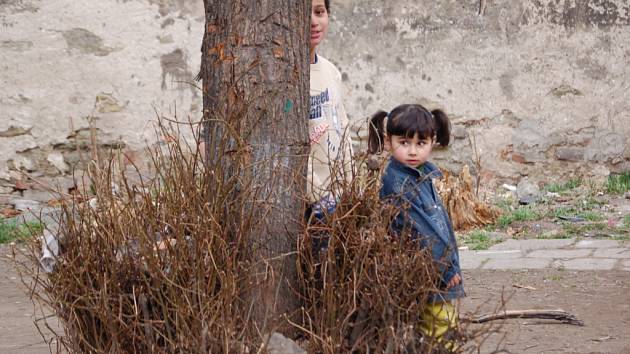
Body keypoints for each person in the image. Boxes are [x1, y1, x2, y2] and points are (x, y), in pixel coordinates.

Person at [368, 104, 464, 348]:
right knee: (442, 329)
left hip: (428, 271)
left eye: (420, 143)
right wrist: (445, 269)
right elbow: (422, 232)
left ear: (433, 142)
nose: (412, 151)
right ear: (388, 142)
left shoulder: (420, 175)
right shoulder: (400, 184)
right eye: (404, 143)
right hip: (429, 274)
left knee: (432, 328)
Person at [307, 0, 352, 248]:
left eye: (319, 12)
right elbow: (291, 149)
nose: (314, 22)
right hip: (310, 204)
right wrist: (317, 196)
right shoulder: (286, 76)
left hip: (337, 200)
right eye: (306, 14)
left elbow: (341, 128)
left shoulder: (331, 71)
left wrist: (348, 185)